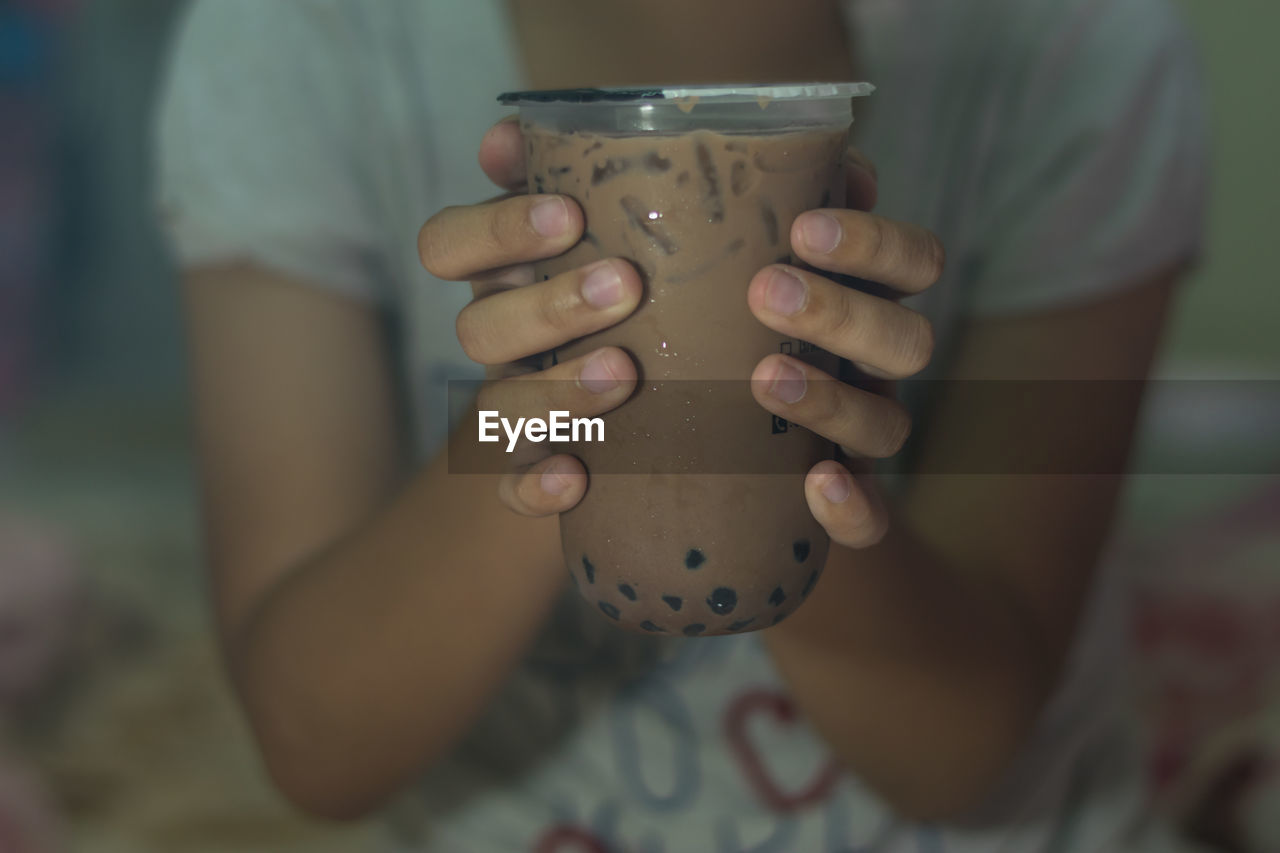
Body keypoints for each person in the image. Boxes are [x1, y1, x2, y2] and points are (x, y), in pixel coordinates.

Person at [154, 0, 1209, 849]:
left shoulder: (1076, 46)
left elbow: (953, 752)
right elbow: (317, 745)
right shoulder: (300, 38)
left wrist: (776, 421)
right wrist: (558, 409)